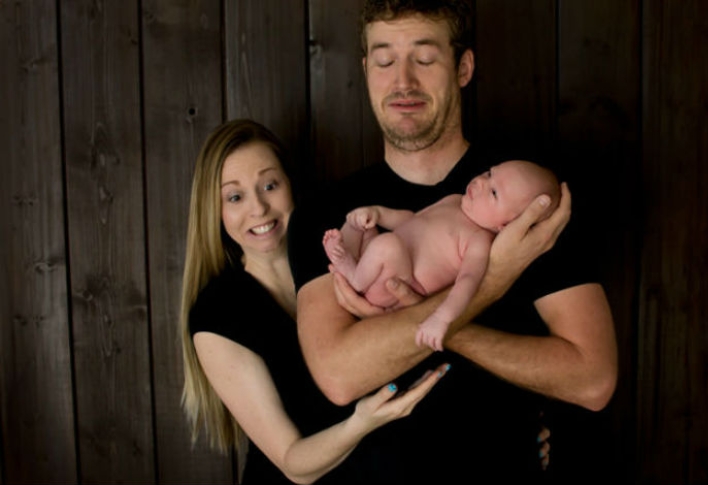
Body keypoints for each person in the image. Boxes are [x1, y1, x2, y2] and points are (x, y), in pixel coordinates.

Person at [288, 0, 619, 483]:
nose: (403, 81)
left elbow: (592, 379)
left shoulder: (523, 203)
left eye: (424, 59)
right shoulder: (329, 217)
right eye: (384, 61)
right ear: (365, 71)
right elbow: (339, 375)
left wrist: (448, 328)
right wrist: (492, 281)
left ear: (463, 67)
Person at [178, 118, 449, 485]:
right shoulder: (218, 313)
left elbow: (422, 343)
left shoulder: (347, 254)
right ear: (215, 210)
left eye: (270, 185)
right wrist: (360, 423)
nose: (258, 208)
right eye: (235, 197)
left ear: (290, 185)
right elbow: (293, 462)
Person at [323, 160, 561, 351]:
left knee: (387, 245)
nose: (480, 182)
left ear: (506, 226)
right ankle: (346, 254)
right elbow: (413, 219)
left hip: (393, 285)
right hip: (382, 260)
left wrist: (442, 318)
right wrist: (379, 214)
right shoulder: (455, 200)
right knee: (361, 223)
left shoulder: (479, 241)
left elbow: (468, 282)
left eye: (494, 192)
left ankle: (353, 275)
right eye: (489, 173)